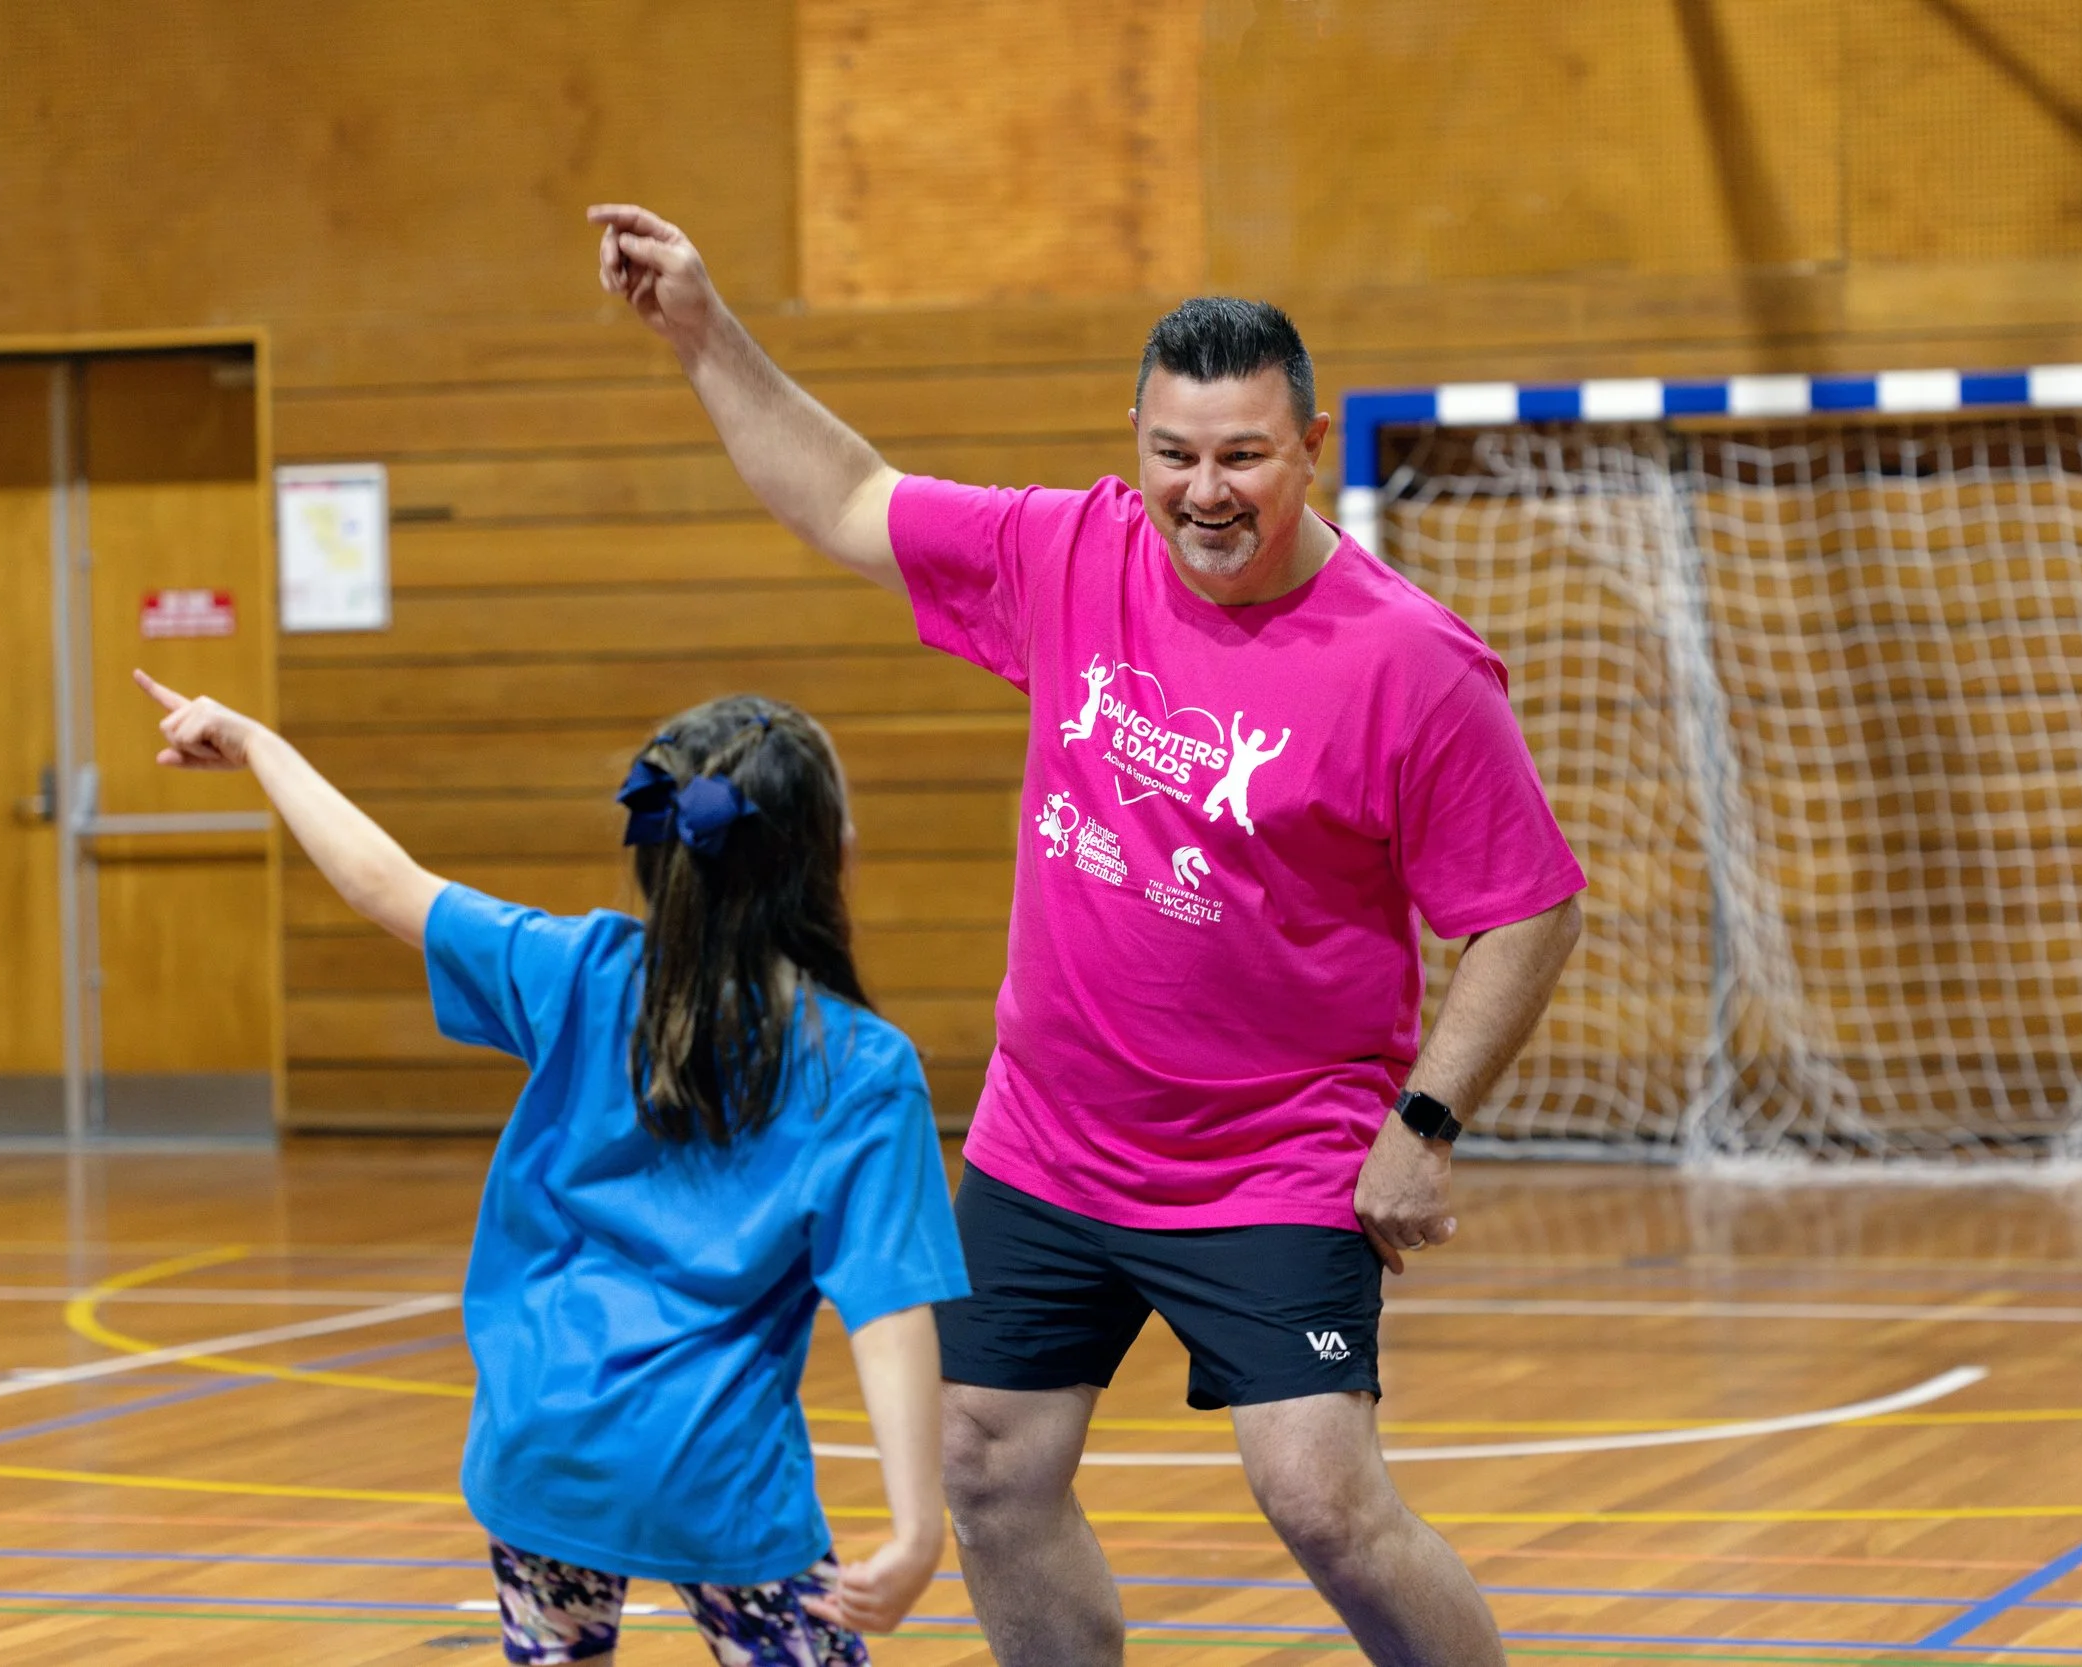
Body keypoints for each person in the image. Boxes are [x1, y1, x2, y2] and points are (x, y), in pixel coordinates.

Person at [589, 202, 1587, 1667]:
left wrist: (1425, 1118)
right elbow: (846, 496)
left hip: (1276, 1150)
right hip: (1048, 1139)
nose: (1205, 490)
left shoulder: (1413, 664)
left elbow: (1527, 907)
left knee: (1319, 1492)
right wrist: (700, 332)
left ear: (1312, 440)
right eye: (1174, 452)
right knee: (986, 1466)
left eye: (1243, 453)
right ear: (1134, 435)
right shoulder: (1068, 555)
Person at [132, 670, 968, 1667]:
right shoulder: (864, 1068)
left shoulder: (576, 970)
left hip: (539, 1448)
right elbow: (888, 1309)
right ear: (827, 858)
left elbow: (381, 881)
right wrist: (919, 1527)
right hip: (715, 1473)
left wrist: (258, 743)